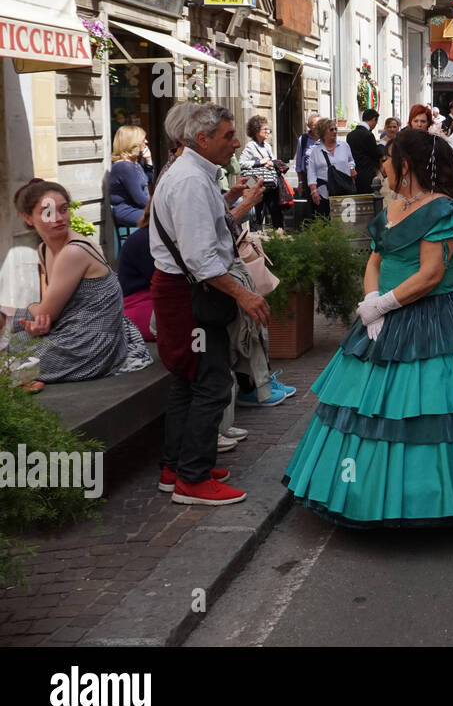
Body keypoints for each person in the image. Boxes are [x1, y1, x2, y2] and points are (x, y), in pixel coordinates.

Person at [283, 129, 453, 526]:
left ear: (407, 165)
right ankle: (367, 495)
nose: (383, 166)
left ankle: (436, 501)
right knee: (374, 410)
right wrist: (370, 303)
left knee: (434, 409)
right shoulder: (393, 208)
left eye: (389, 158)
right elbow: (375, 261)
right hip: (385, 315)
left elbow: (432, 275)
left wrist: (382, 304)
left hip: (434, 317)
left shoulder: (444, 210)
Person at [150, 103, 269, 506]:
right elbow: (201, 260)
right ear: (202, 140)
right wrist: (244, 294)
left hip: (185, 292)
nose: (236, 143)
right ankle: (193, 479)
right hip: (188, 295)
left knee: (190, 379)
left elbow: (211, 238)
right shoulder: (190, 181)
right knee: (211, 382)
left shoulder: (195, 175)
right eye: (227, 136)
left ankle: (177, 467)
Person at [7, 180, 152, 389]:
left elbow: (47, 311)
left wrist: (25, 313)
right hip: (70, 333)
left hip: (91, 346)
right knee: (11, 342)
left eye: (63, 209)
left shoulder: (73, 251)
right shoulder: (44, 249)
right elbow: (48, 313)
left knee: (7, 352)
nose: (58, 218)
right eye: (47, 212)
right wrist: (39, 322)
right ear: (28, 218)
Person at [118, 202, 157, 341]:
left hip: (147, 302)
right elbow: (162, 282)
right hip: (139, 310)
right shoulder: (146, 239)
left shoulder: (150, 234)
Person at [238, 115, 285, 231]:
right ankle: (257, 234)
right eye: (265, 129)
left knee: (275, 209)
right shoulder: (250, 146)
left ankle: (278, 233)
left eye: (269, 129)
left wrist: (271, 163)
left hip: (269, 182)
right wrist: (258, 162)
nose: (268, 132)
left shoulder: (268, 146)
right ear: (256, 130)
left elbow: (273, 161)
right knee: (257, 209)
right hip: (254, 182)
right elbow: (241, 163)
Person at [306, 117, 357, 219]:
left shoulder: (344, 146)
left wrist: (352, 168)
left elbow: (351, 160)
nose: (334, 132)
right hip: (324, 192)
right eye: (331, 129)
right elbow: (311, 172)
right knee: (325, 220)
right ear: (323, 133)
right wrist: (314, 191)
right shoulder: (316, 151)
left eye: (335, 129)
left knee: (345, 222)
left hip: (344, 190)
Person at [108, 125, 153, 228]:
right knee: (163, 219)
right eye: (142, 139)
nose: (146, 142)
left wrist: (149, 160)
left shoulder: (133, 164)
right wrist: (158, 207)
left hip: (138, 209)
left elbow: (149, 180)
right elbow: (141, 200)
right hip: (128, 211)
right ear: (132, 143)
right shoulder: (125, 166)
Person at [348, 109, 382, 194]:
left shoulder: (350, 135)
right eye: (376, 122)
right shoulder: (368, 135)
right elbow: (376, 153)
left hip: (355, 173)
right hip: (367, 174)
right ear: (374, 119)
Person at [294, 112, 322, 198]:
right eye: (314, 125)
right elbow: (299, 163)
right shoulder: (303, 139)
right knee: (310, 206)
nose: (317, 127)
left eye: (319, 124)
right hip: (308, 178)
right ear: (308, 126)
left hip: (323, 178)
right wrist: (300, 182)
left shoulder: (326, 138)